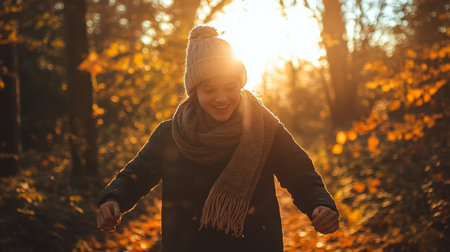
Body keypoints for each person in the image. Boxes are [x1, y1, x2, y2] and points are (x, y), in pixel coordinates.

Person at [97, 24, 339, 252]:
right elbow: (136, 176)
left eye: (230, 86)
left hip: (255, 245)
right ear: (194, 92)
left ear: (241, 85)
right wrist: (113, 199)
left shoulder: (266, 129)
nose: (221, 98)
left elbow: (299, 174)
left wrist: (320, 205)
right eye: (209, 89)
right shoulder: (170, 134)